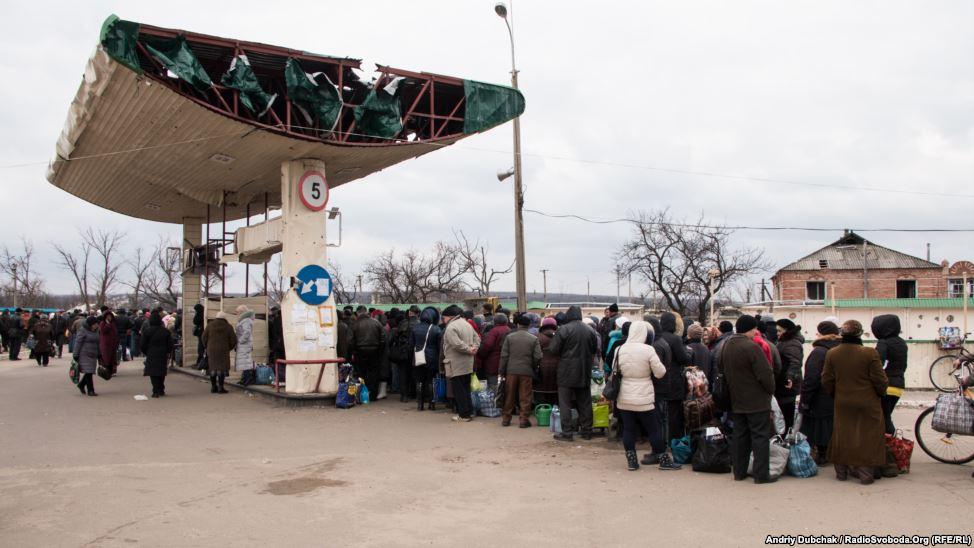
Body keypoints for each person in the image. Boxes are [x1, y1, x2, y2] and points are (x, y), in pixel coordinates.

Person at [822, 320, 889, 485]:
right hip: (868, 401)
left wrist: (836, 394)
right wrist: (880, 393)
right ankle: (865, 474)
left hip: (843, 401)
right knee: (868, 436)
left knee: (842, 434)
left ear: (842, 334)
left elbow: (826, 379)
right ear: (860, 334)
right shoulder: (869, 353)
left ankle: (841, 473)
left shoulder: (832, 353)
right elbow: (880, 380)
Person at [615, 321, 680, 471]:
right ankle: (664, 460)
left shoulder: (620, 349)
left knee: (628, 429)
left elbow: (615, 370)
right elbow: (660, 372)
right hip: (644, 394)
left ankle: (632, 462)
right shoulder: (648, 349)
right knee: (653, 429)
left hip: (625, 394)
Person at [722, 315, 777, 484]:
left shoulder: (727, 346)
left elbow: (720, 368)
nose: (755, 333)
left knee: (740, 436)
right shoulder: (752, 347)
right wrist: (770, 390)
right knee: (760, 437)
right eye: (754, 329)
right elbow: (765, 374)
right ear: (750, 329)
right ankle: (761, 475)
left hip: (736, 399)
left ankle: (739, 472)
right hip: (756, 400)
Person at [548, 305, 598, 442]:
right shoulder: (590, 330)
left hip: (566, 371)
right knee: (585, 402)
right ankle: (587, 431)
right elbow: (595, 349)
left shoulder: (563, 329)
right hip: (584, 370)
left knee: (565, 403)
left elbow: (553, 349)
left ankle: (567, 432)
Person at [800, 320, 841, 465]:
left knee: (819, 428)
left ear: (821, 334)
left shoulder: (819, 352)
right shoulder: (840, 350)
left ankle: (821, 454)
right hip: (838, 396)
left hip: (820, 398)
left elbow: (812, 378)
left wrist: (805, 400)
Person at [499, 314, 542, 428]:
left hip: (511, 371)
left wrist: (502, 371)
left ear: (518, 325)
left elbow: (504, 356)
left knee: (509, 395)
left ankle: (506, 419)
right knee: (525, 396)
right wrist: (532, 366)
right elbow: (538, 356)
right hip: (526, 371)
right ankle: (523, 420)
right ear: (529, 325)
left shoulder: (510, 338)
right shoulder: (534, 339)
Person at [440, 305, 479, 422]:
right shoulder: (467, 324)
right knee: (466, 388)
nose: (443, 320)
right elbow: (477, 338)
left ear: (449, 316)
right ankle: (469, 411)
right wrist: (474, 348)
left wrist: (469, 349)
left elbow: (456, 344)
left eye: (444, 318)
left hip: (455, 363)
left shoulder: (451, 327)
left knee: (459, 390)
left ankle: (464, 414)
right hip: (468, 362)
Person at [871, 314, 907, 435]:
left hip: (886, 386)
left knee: (884, 418)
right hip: (898, 386)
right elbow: (903, 365)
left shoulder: (883, 342)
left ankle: (893, 443)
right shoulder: (902, 343)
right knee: (885, 416)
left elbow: (877, 363)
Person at [658, 312, 690, 442]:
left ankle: (660, 439)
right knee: (674, 413)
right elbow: (683, 358)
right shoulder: (675, 339)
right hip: (674, 379)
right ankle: (673, 439)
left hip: (658, 379)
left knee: (660, 413)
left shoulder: (656, 338)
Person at [774, 319, 804, 430]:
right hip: (784, 383)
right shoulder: (785, 341)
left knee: (787, 414)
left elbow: (795, 362)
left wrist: (790, 377)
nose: (777, 333)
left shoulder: (792, 343)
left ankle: (787, 433)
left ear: (787, 330)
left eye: (779, 330)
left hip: (787, 385)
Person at [351, 305, 386, 398]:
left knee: (361, 373)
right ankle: (373, 394)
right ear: (366, 312)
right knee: (374, 373)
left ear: (357, 313)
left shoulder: (355, 324)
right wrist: (379, 351)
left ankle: (363, 395)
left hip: (360, 352)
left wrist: (353, 351)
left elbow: (350, 341)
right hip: (375, 351)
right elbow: (383, 339)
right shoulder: (376, 323)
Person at [412, 306, 442, 411]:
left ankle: (420, 404)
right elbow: (439, 347)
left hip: (418, 357)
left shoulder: (415, 328)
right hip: (432, 358)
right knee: (431, 380)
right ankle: (431, 404)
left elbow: (411, 344)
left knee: (419, 380)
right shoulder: (436, 329)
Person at [202, 311, 236, 394]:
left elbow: (203, 337)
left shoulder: (210, 325)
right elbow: (233, 340)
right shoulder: (228, 327)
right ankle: (221, 387)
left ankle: (213, 387)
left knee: (212, 368)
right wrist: (229, 348)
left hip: (212, 349)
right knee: (222, 369)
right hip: (223, 350)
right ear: (225, 318)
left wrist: (207, 346)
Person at [141, 311, 173, 397]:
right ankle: (161, 389)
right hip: (162, 353)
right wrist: (168, 352)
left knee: (153, 372)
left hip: (151, 353)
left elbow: (143, 344)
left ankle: (155, 390)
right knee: (161, 372)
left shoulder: (147, 331)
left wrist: (146, 352)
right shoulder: (165, 331)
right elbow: (170, 344)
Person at [478, 313, 511, 392]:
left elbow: (487, 345)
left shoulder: (494, 331)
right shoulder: (509, 330)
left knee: (493, 384)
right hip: (507, 362)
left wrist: (481, 354)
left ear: (495, 321)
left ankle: (495, 398)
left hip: (493, 362)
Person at [535, 317, 560, 405]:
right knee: (555, 388)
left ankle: (543, 406)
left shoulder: (538, 336)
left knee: (542, 388)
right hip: (558, 365)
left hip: (542, 366)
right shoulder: (559, 336)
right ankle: (555, 406)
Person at [73, 316, 101, 396]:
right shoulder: (83, 330)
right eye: (95, 324)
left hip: (93, 354)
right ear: (90, 324)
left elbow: (98, 343)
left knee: (90, 371)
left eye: (97, 324)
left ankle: (81, 385)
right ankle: (90, 390)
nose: (96, 325)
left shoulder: (96, 331)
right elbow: (78, 342)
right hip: (84, 354)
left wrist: (99, 353)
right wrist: (75, 354)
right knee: (88, 372)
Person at [234, 305, 256, 379]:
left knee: (245, 362)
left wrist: (241, 340)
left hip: (245, 344)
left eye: (237, 312)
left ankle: (247, 379)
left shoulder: (246, 320)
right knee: (244, 361)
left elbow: (247, 332)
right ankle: (244, 378)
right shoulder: (244, 320)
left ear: (241, 312)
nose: (236, 313)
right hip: (244, 344)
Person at [99, 310, 119, 376]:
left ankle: (113, 371)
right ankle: (106, 371)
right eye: (107, 316)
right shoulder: (102, 323)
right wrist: (108, 324)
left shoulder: (113, 323)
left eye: (110, 316)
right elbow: (103, 331)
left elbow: (115, 332)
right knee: (106, 358)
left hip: (113, 343)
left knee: (113, 358)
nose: (109, 317)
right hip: (106, 344)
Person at [192, 303, 206, 367]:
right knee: (202, 347)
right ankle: (200, 362)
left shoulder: (199, 314)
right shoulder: (204, 313)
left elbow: (195, 321)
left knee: (201, 348)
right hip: (203, 332)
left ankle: (200, 362)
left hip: (201, 333)